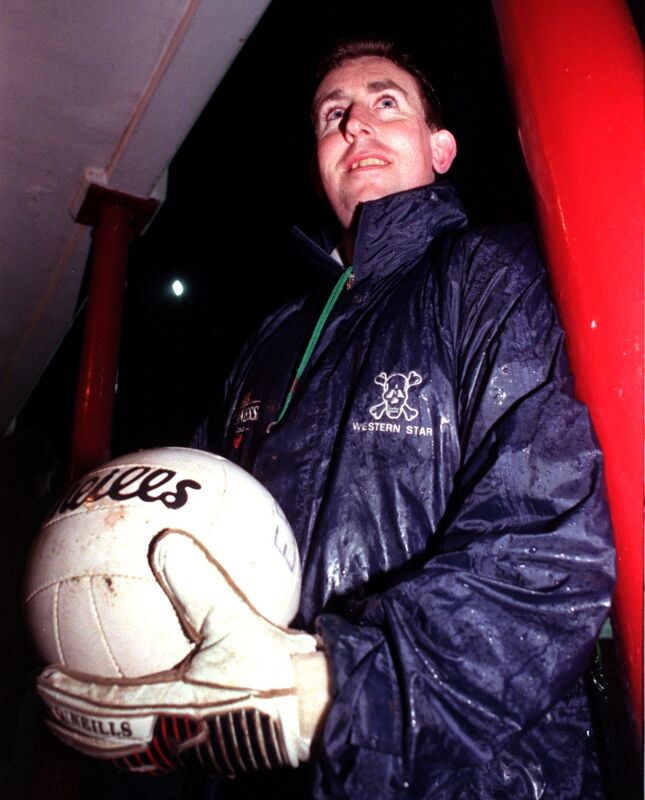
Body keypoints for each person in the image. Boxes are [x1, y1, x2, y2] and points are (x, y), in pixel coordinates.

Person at [38, 38, 615, 799]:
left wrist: (328, 688)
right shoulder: (273, 338)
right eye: (332, 114)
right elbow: (182, 535)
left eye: (385, 103)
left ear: (440, 149)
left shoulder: (492, 276)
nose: (354, 127)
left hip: (472, 777)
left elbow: (549, 548)